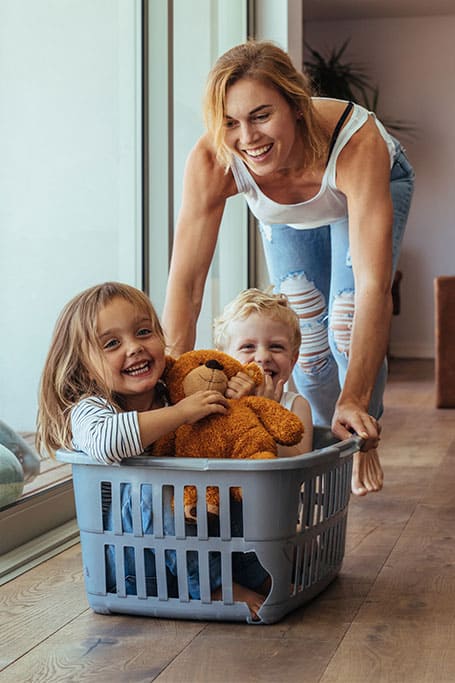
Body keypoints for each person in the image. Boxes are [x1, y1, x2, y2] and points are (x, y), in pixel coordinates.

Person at [161, 39, 415, 497]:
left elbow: (374, 286)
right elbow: (188, 282)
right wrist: (170, 386)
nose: (248, 138)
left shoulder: (357, 142)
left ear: (295, 105)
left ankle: (359, 430)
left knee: (344, 319)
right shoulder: (214, 158)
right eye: (230, 122)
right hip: (290, 214)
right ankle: (321, 445)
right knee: (309, 345)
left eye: (261, 115)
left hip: (366, 184)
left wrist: (355, 397)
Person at [36, 281, 270, 619]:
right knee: (153, 486)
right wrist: (183, 413)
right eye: (112, 343)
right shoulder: (90, 409)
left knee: (225, 485)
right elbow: (107, 442)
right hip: (135, 568)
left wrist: (237, 398)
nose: (134, 348)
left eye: (144, 332)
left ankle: (258, 577)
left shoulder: (174, 391)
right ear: (84, 366)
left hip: (194, 555)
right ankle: (214, 587)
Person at [213, 287, 313, 456]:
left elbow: (298, 462)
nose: (263, 357)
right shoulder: (216, 399)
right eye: (248, 347)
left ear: (293, 360)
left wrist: (265, 410)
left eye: (276, 347)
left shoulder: (296, 405)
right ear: (224, 359)